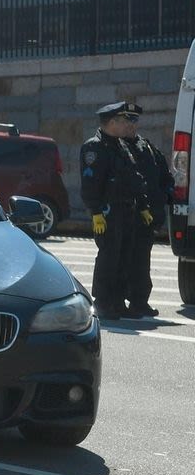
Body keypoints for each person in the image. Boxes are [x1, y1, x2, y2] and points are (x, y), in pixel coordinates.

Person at [80, 102, 151, 320]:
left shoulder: (121, 146)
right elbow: (91, 184)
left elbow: (133, 177)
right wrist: (96, 212)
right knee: (109, 258)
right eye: (122, 121)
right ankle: (102, 301)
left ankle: (118, 301)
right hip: (107, 212)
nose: (126, 125)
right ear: (111, 123)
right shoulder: (94, 147)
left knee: (124, 257)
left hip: (126, 210)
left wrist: (143, 205)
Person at [120, 103, 176, 318]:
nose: (130, 126)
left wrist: (167, 194)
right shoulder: (115, 148)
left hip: (147, 218)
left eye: (133, 121)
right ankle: (117, 302)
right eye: (126, 121)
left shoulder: (148, 148)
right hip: (125, 217)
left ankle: (139, 301)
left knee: (142, 262)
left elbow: (164, 177)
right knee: (122, 261)